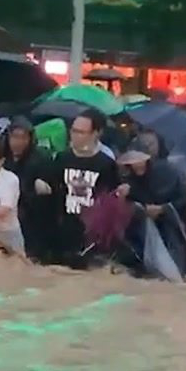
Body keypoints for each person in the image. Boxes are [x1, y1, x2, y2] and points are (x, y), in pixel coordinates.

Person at [35, 109, 118, 266]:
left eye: (81, 132)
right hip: (63, 231)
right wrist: (42, 184)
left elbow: (112, 199)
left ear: (96, 133)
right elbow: (49, 183)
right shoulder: (62, 158)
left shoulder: (106, 164)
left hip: (91, 236)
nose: (74, 136)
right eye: (73, 131)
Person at [116, 148, 186, 279]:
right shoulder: (128, 179)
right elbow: (137, 202)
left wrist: (163, 208)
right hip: (146, 229)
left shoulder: (167, 173)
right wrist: (125, 196)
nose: (137, 165)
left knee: (179, 271)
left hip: (175, 225)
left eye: (140, 160)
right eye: (133, 161)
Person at [2, 116, 52, 259]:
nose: (18, 142)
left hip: (31, 217)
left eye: (23, 138)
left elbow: (49, 187)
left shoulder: (41, 159)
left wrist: (41, 184)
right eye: (14, 137)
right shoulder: (2, 156)